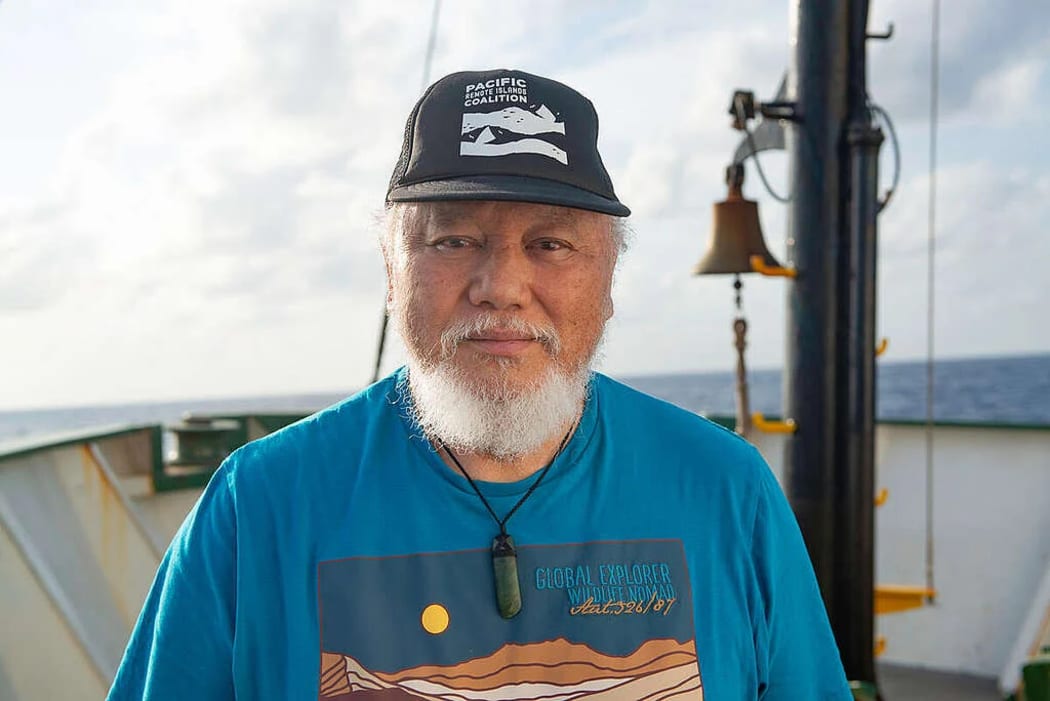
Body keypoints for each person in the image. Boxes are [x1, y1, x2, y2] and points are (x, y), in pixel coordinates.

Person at [109, 69, 851, 700]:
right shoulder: (258, 505)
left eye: (551, 244)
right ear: (392, 272)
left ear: (610, 278)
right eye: (453, 239)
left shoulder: (726, 490)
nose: (501, 286)